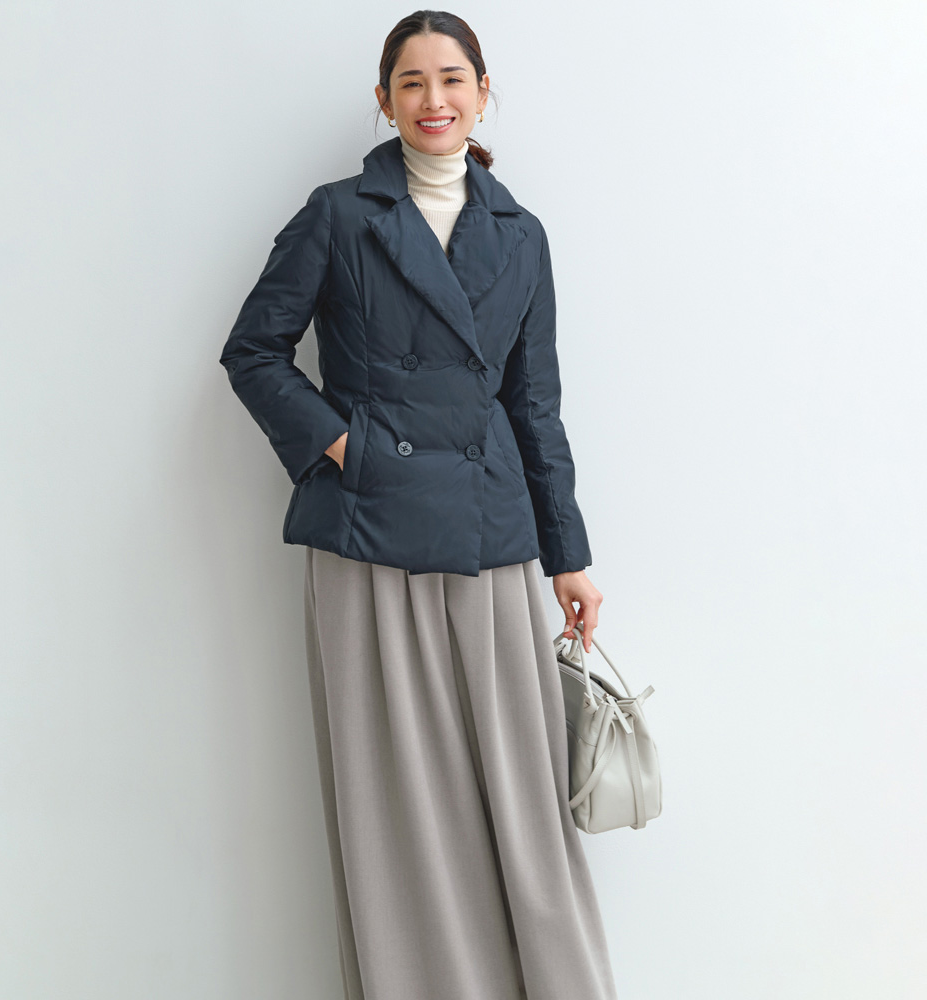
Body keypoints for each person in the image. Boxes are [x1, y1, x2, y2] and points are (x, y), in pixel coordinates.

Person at [219, 10, 618, 999]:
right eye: (411, 82)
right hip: (370, 532)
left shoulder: (519, 235)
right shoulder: (338, 215)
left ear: (482, 92)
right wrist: (345, 446)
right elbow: (254, 352)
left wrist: (568, 555)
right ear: (384, 100)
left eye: (451, 79)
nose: (433, 100)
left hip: (490, 532)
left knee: (522, 797)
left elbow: (533, 404)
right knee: (398, 800)